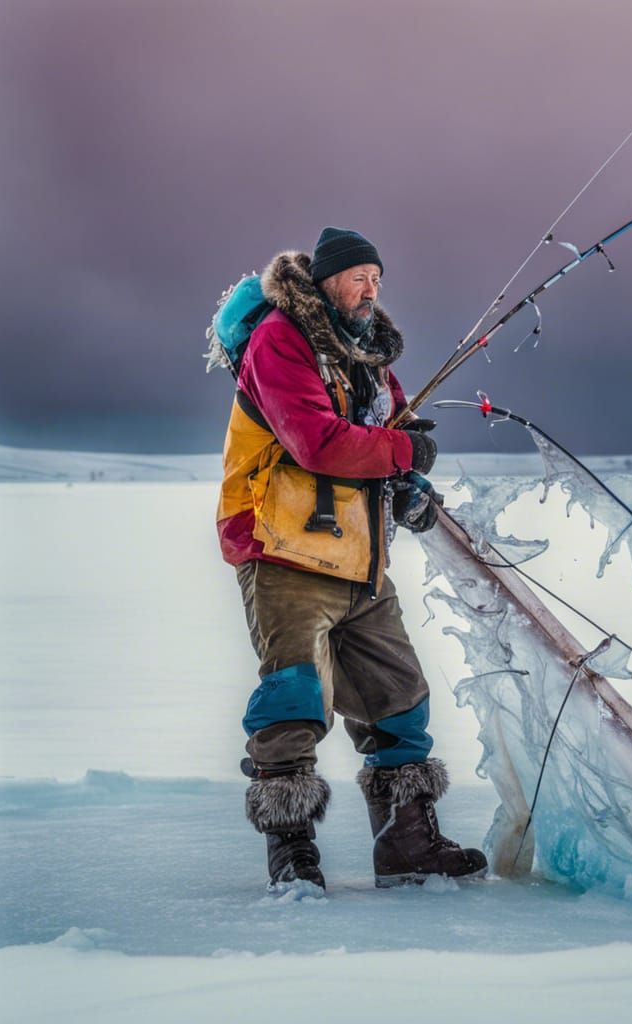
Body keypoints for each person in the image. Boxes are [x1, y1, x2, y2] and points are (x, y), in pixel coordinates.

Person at [215, 227, 487, 891]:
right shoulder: (280, 339)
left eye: (378, 279)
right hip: (282, 548)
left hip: (358, 560)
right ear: (326, 280)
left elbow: (392, 432)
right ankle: (292, 853)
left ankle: (407, 845)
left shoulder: (365, 355)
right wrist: (400, 457)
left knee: (399, 700)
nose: (371, 289)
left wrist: (409, 485)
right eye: (360, 275)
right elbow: (315, 441)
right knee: (293, 701)